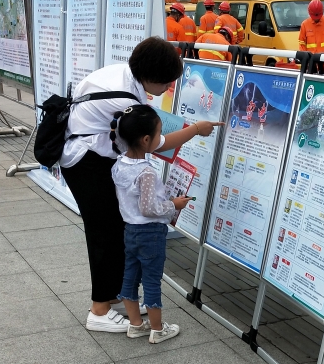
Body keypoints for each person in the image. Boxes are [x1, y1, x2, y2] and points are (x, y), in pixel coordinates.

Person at [60, 36, 222, 332]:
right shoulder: (128, 101)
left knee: (113, 229)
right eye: (167, 82)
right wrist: (197, 129)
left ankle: (112, 298)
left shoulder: (120, 73)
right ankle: (98, 310)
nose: (169, 88)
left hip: (87, 154)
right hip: (87, 162)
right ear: (153, 76)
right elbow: (154, 144)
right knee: (104, 234)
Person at [113, 105, 192, 344]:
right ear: (147, 140)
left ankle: (136, 324)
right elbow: (149, 209)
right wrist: (173, 204)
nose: (161, 139)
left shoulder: (118, 165)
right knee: (151, 280)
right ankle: (157, 329)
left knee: (130, 276)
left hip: (130, 231)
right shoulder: (146, 172)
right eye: (159, 134)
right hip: (151, 234)